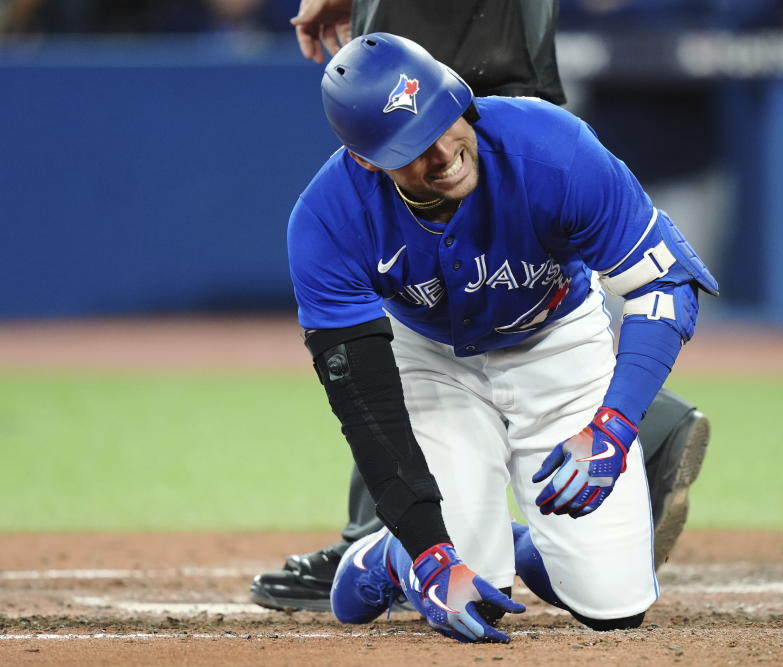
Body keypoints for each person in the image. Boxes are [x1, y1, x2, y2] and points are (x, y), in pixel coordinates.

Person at [250, 0, 713, 616]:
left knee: (614, 605)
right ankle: (383, 554)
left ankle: (538, 544)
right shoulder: (327, 220)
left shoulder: (554, 149)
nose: (441, 153)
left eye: (442, 122)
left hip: (556, 339)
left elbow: (665, 288)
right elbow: (365, 405)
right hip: (432, 359)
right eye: (409, 147)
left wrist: (615, 426)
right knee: (475, 589)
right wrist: (427, 550)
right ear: (366, 160)